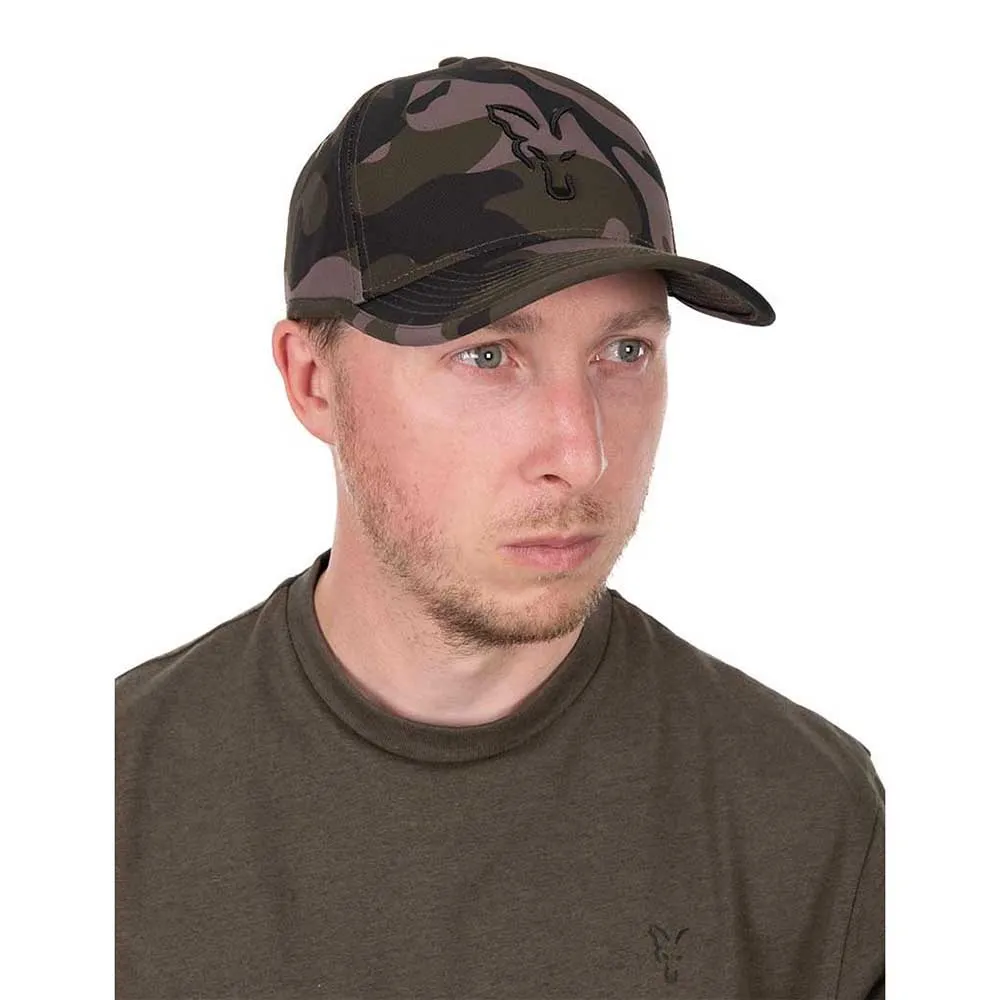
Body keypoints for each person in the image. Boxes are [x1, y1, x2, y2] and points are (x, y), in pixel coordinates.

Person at [115, 56, 884, 999]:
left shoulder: (812, 824)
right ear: (313, 382)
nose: (581, 453)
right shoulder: (101, 803)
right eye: (487, 355)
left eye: (625, 350)